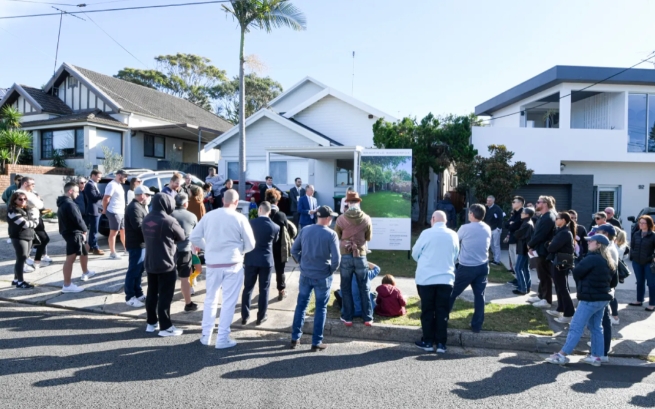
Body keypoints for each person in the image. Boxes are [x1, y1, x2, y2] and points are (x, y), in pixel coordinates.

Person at [190, 189, 255, 349]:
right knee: (228, 302)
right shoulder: (240, 217)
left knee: (210, 299)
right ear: (236, 201)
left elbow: (194, 237)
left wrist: (209, 247)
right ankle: (222, 337)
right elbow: (251, 244)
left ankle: (206, 335)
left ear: (222, 200)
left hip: (213, 264)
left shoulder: (209, 216)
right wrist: (240, 250)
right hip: (233, 263)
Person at [545, 234, 617, 367]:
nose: (588, 243)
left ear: (599, 245)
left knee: (575, 327)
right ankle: (596, 357)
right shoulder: (609, 260)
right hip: (602, 299)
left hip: (589, 298)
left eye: (591, 241)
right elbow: (614, 281)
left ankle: (562, 355)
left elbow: (577, 272)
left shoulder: (591, 259)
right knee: (596, 327)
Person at [290, 205, 340, 351]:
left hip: (306, 274)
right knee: (320, 308)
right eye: (331, 217)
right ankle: (316, 342)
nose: (332, 219)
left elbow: (294, 250)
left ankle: (295, 338)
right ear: (327, 218)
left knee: (301, 306)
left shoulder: (305, 230)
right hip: (322, 276)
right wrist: (330, 271)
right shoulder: (331, 234)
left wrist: (301, 262)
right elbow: (336, 260)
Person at [412, 210, 459, 353]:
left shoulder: (426, 233)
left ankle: (427, 341)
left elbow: (415, 253)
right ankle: (441, 343)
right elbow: (456, 255)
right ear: (446, 221)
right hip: (446, 278)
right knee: (442, 311)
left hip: (426, 278)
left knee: (427, 310)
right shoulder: (453, 234)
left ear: (433, 219)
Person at [142, 193, 185, 337]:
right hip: (166, 262)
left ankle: (151, 323)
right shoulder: (169, 220)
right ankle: (165, 327)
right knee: (165, 296)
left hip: (150, 261)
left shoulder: (146, 218)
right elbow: (182, 236)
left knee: (151, 294)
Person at [449, 204, 492, 333]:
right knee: (479, 296)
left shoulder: (464, 228)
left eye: (469, 213)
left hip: (466, 267)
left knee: (452, 293)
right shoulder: (487, 228)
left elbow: (454, 242)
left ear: (472, 215)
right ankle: (477, 325)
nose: (468, 215)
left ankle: (442, 318)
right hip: (483, 266)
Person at [335, 191, 373, 326]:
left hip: (345, 255)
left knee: (345, 288)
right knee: (364, 287)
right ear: (358, 202)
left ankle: (348, 317)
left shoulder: (340, 219)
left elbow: (337, 236)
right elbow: (369, 237)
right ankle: (367, 317)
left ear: (347, 203)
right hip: (361, 255)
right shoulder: (367, 218)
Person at [241, 201, 280, 325]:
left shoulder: (250, 223)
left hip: (251, 259)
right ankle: (261, 316)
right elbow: (275, 241)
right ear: (269, 211)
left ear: (260, 209)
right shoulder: (275, 226)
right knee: (264, 289)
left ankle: (245, 316)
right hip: (266, 261)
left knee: (248, 288)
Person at [57, 182, 96, 293]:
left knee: (85, 248)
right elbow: (78, 219)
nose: (78, 194)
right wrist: (85, 230)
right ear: (70, 191)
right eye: (77, 192)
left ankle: (86, 271)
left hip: (72, 232)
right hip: (73, 233)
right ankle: (67, 285)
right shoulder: (69, 204)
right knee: (70, 259)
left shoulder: (64, 202)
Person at [545, 212, 577, 323]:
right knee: (559, 287)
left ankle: (568, 314)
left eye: (557, 218)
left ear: (563, 220)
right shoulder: (561, 231)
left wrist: (549, 245)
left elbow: (552, 247)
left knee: (563, 288)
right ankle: (561, 308)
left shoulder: (564, 233)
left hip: (561, 263)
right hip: (558, 261)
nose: (555, 220)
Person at [266, 188, 297, 301]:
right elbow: (287, 230)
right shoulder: (281, 215)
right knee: (280, 270)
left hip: (266, 247)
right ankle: (281, 290)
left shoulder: (263, 213)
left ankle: (264, 291)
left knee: (266, 271)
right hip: (279, 246)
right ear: (277, 201)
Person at [124, 185, 152, 308]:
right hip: (136, 244)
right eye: (148, 195)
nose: (149, 197)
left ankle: (138, 292)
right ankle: (130, 296)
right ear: (142, 195)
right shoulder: (134, 207)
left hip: (141, 244)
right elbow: (139, 226)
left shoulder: (139, 206)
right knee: (133, 270)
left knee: (139, 270)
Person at [527, 196, 557, 308]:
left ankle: (546, 300)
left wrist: (530, 244)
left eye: (538, 202)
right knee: (542, 274)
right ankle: (541, 295)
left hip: (544, 250)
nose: (536, 204)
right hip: (541, 249)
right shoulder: (545, 216)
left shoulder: (549, 216)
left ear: (545, 203)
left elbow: (540, 234)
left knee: (544, 275)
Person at [171, 193, 199, 313]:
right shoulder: (192, 216)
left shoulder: (169, 214)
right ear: (185, 203)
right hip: (185, 250)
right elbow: (196, 235)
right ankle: (188, 304)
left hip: (169, 250)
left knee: (168, 277)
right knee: (184, 278)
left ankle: (165, 301)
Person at [17, 177, 51, 271]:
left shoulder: (30, 193)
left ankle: (36, 261)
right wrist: (37, 201)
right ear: (25, 184)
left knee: (43, 239)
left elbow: (40, 204)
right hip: (28, 220)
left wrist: (38, 201)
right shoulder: (20, 193)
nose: (33, 186)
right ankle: (25, 264)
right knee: (28, 242)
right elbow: (39, 204)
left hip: (36, 218)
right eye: (32, 184)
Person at [7, 191, 38, 289]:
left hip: (28, 235)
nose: (23, 201)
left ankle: (16, 280)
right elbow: (25, 224)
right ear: (14, 200)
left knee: (22, 258)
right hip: (18, 237)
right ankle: (20, 282)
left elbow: (34, 220)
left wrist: (33, 222)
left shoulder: (26, 209)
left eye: (25, 199)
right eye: (20, 199)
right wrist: (33, 222)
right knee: (21, 258)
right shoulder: (13, 210)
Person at [629, 215, 655, 311]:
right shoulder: (636, 234)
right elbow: (633, 246)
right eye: (640, 222)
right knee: (640, 282)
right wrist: (632, 256)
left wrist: (652, 258)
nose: (641, 224)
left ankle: (652, 303)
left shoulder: (653, 236)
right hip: (637, 262)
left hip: (649, 263)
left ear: (648, 224)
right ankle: (639, 300)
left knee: (651, 283)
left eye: (643, 223)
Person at [103, 169, 127, 260]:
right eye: (124, 176)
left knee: (123, 231)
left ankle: (126, 249)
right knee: (114, 232)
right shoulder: (111, 185)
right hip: (114, 212)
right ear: (119, 175)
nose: (125, 178)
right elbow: (106, 199)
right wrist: (105, 209)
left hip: (121, 212)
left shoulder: (119, 185)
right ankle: (112, 253)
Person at [513, 207, 535, 295]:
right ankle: (527, 286)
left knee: (518, 268)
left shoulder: (527, 224)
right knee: (525, 268)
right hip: (525, 248)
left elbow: (518, 234)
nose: (521, 213)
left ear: (527, 215)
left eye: (523, 212)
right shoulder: (527, 223)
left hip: (523, 248)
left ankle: (522, 288)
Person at [84, 169, 105, 256]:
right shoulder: (89, 185)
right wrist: (104, 195)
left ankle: (91, 247)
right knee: (94, 230)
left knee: (94, 230)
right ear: (93, 175)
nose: (99, 179)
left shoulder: (93, 184)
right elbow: (93, 197)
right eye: (98, 177)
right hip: (93, 210)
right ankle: (94, 247)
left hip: (97, 209)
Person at [504, 196, 524, 277]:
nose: (512, 203)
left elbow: (516, 226)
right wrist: (510, 223)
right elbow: (506, 224)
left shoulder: (522, 213)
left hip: (517, 240)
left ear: (520, 203)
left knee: (517, 261)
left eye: (514, 202)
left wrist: (511, 224)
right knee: (513, 261)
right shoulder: (515, 213)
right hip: (512, 239)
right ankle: (517, 278)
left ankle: (520, 281)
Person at [483, 195, 504, 265]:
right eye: (487, 200)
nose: (488, 202)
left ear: (493, 201)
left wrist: (499, 228)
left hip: (496, 229)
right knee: (491, 244)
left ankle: (497, 260)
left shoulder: (497, 209)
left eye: (490, 201)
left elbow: (501, 218)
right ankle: (494, 258)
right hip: (489, 229)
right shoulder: (486, 208)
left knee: (496, 245)